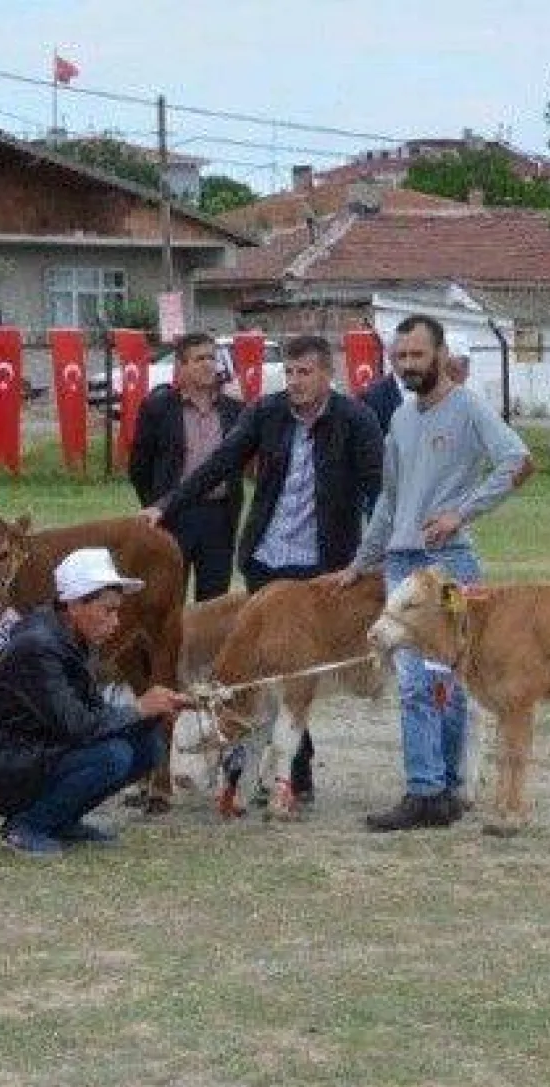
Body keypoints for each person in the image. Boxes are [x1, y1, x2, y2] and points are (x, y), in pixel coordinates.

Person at [142, 334, 384, 801]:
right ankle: (256, 771)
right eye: (289, 373)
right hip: (266, 558)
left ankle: (295, 776)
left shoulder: (356, 419)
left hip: (322, 566)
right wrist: (167, 506)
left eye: (305, 372)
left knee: (298, 669)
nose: (294, 382)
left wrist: (370, 557)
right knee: (263, 669)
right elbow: (219, 464)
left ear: (327, 375)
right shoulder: (266, 412)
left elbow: (378, 491)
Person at [333, 313, 530, 831]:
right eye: (399, 357)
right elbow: (390, 500)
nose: (407, 366)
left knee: (442, 683)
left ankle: (437, 790)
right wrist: (361, 562)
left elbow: (518, 462)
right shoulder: (398, 418)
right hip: (401, 562)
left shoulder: (468, 407)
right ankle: (431, 789)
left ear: (440, 355)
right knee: (417, 683)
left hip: (449, 564)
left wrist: (460, 513)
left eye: (417, 356)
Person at [0, 548, 192, 857]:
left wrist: (156, 711)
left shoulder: (73, 638)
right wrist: (140, 708)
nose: (116, 621)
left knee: (148, 744)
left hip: (37, 754)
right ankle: (26, 827)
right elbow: (78, 725)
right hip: (6, 768)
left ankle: (60, 820)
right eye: (108, 610)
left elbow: (92, 714)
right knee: (113, 755)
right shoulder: (39, 646)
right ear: (74, 605)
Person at [129, 331, 244, 601]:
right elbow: (139, 466)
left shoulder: (235, 410)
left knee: (214, 600)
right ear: (181, 367)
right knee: (168, 598)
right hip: (173, 516)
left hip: (219, 516)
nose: (208, 365)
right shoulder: (158, 408)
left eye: (212, 358)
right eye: (198, 359)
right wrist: (156, 504)